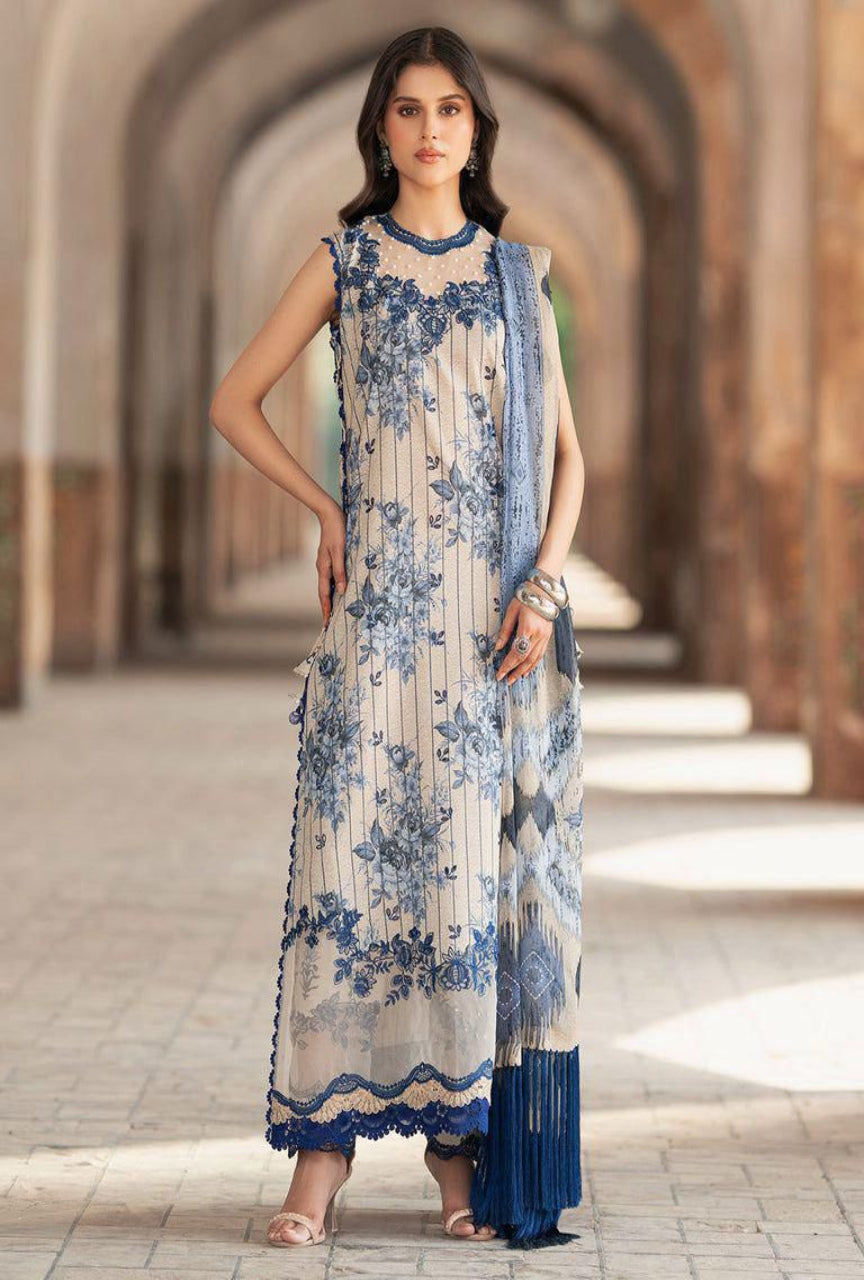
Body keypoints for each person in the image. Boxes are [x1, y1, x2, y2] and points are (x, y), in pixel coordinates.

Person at [209, 24, 586, 1252]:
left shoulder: (517, 278)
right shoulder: (345, 263)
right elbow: (233, 399)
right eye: (411, 109)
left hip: (489, 635)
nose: (431, 129)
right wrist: (324, 506)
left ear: (478, 132)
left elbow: (569, 460)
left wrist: (543, 585)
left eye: (453, 110)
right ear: (382, 128)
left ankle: (456, 1163)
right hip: (375, 628)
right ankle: (317, 1171)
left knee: (464, 890)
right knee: (349, 873)